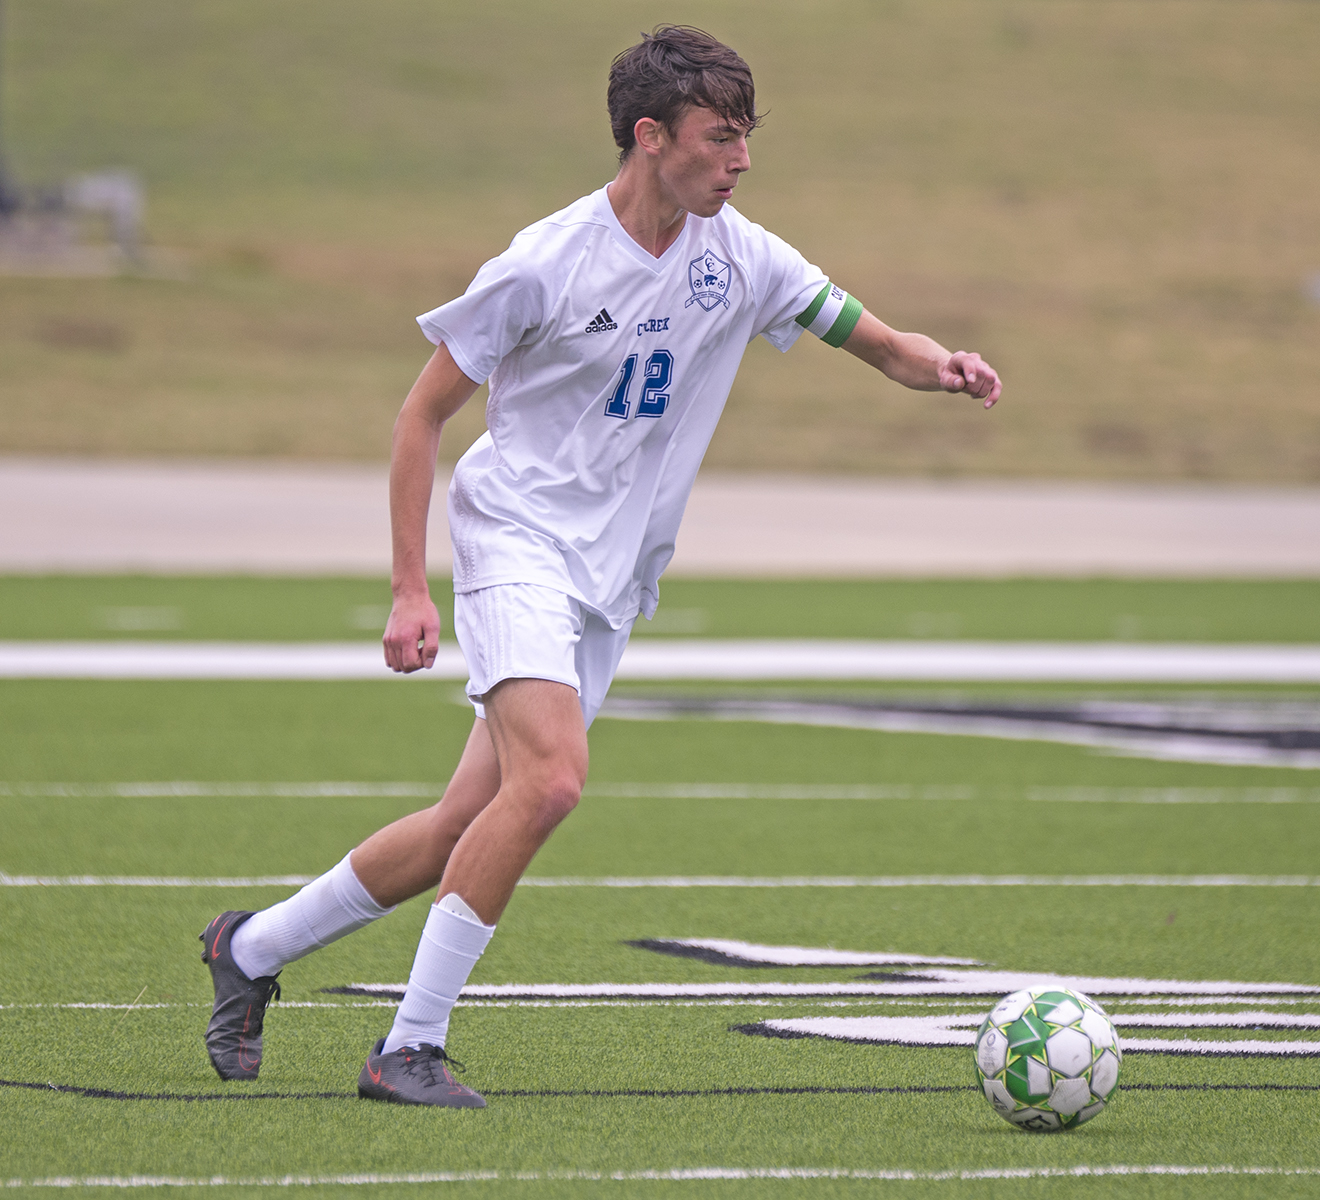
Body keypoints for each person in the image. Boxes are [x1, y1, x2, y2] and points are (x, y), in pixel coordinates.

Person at [198, 25, 1002, 1109]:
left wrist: (942, 367)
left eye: (748, 138)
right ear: (650, 135)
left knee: (455, 832)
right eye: (723, 138)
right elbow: (420, 416)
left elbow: (871, 337)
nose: (743, 159)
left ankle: (248, 950)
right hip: (518, 538)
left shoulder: (743, 256)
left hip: (611, 582)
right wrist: (406, 586)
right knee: (552, 782)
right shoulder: (546, 262)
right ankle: (407, 1049)